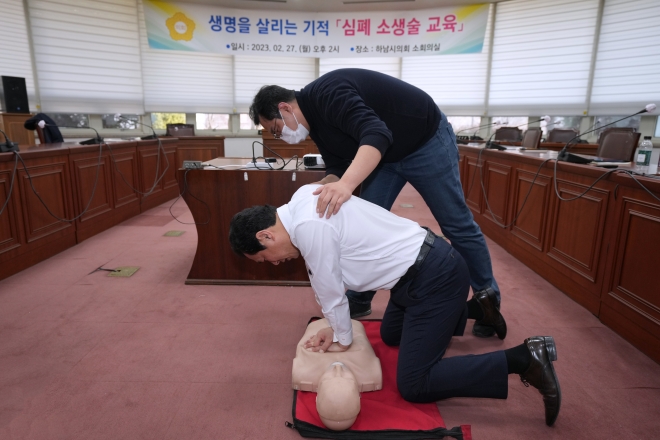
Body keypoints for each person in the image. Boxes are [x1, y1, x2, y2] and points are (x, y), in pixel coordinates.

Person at [229, 185, 561, 426]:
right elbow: (325, 278)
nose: (274, 263)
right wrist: (334, 324)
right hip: (415, 277)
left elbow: (330, 290)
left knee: (416, 384)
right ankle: (478, 309)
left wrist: (341, 336)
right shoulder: (302, 197)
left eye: (265, 259)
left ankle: (524, 359)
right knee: (391, 335)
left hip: (436, 277)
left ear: (265, 236)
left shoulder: (308, 227)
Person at [249, 68, 501, 338]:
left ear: (285, 108)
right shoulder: (314, 125)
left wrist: (346, 185)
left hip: (424, 141)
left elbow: (376, 133)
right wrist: (316, 190)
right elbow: (337, 167)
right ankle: (360, 297)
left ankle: (488, 299)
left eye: (276, 130)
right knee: (364, 225)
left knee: (456, 223)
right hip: (385, 157)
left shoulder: (329, 93)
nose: (281, 137)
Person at [293, 318, 382, 431]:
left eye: (329, 378)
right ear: (359, 397)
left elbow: (304, 346)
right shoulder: (370, 371)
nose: (338, 370)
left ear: (317, 397)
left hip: (320, 327)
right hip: (352, 324)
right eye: (347, 379)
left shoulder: (302, 370)